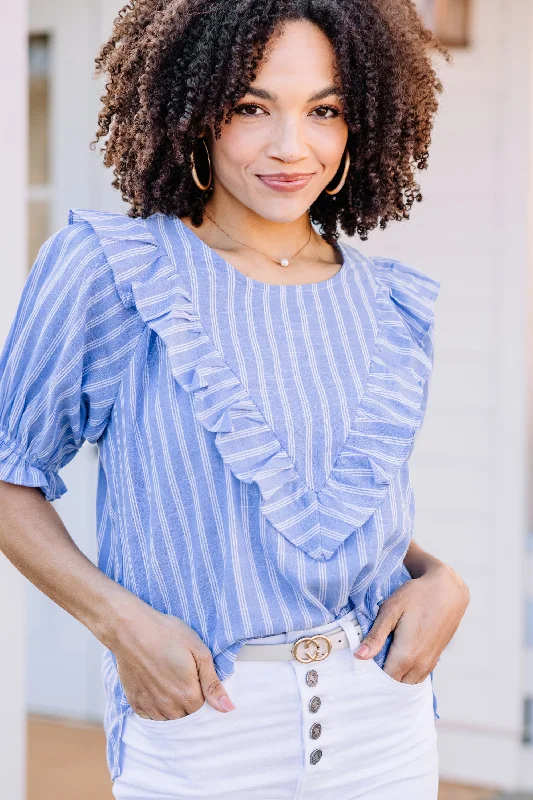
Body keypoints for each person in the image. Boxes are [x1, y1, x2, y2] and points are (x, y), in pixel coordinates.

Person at [0, 1, 470, 798]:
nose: (292, 147)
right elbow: (10, 475)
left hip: (382, 720)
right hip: (205, 724)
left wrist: (437, 577)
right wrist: (121, 625)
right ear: (193, 114)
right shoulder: (111, 272)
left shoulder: (388, 304)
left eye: (324, 110)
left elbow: (330, 507)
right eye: (251, 107)